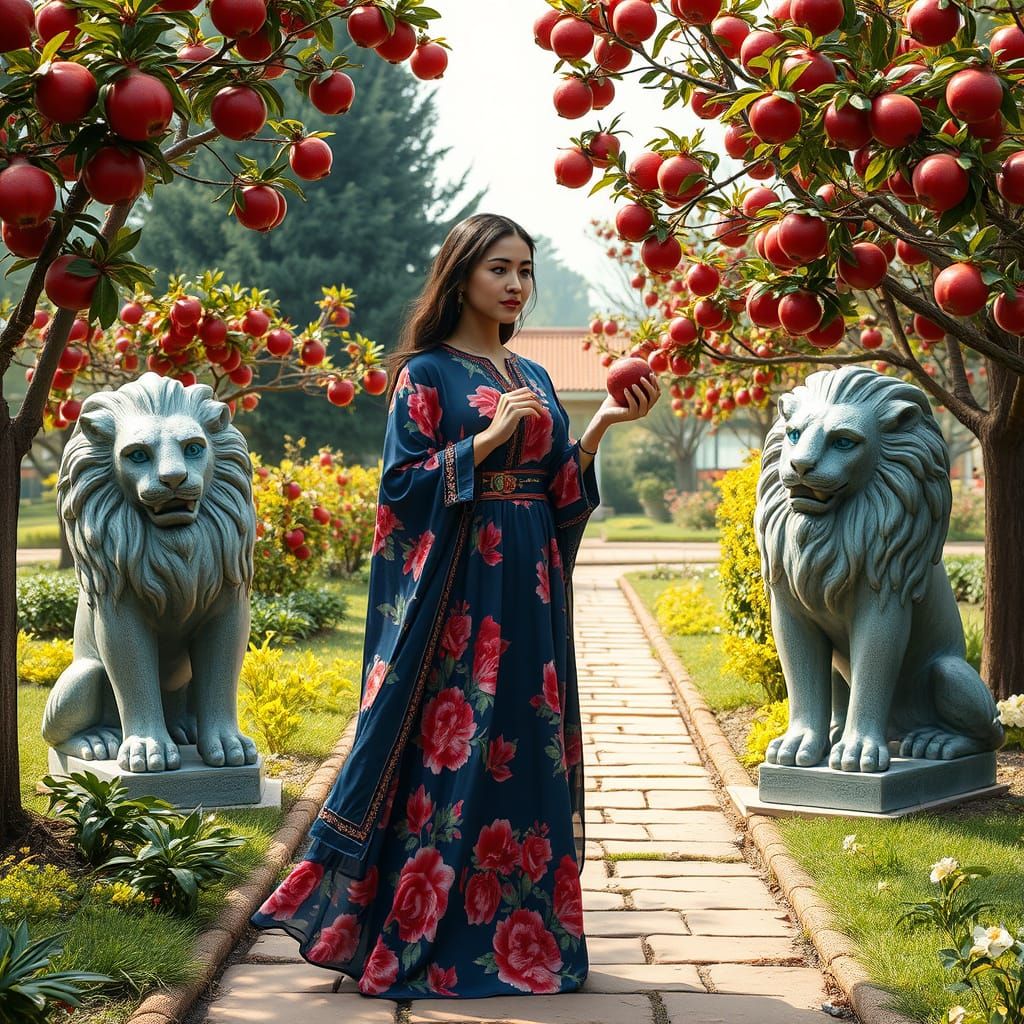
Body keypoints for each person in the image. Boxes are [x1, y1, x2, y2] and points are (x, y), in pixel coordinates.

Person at [250, 213, 660, 998]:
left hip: (531, 592)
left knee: (524, 750)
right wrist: (484, 441)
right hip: (461, 598)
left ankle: (528, 941)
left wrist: (602, 425)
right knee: (456, 752)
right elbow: (400, 491)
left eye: (525, 271)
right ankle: (422, 935)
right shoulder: (427, 375)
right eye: (499, 268)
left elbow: (557, 492)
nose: (515, 284)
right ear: (462, 274)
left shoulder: (535, 376)